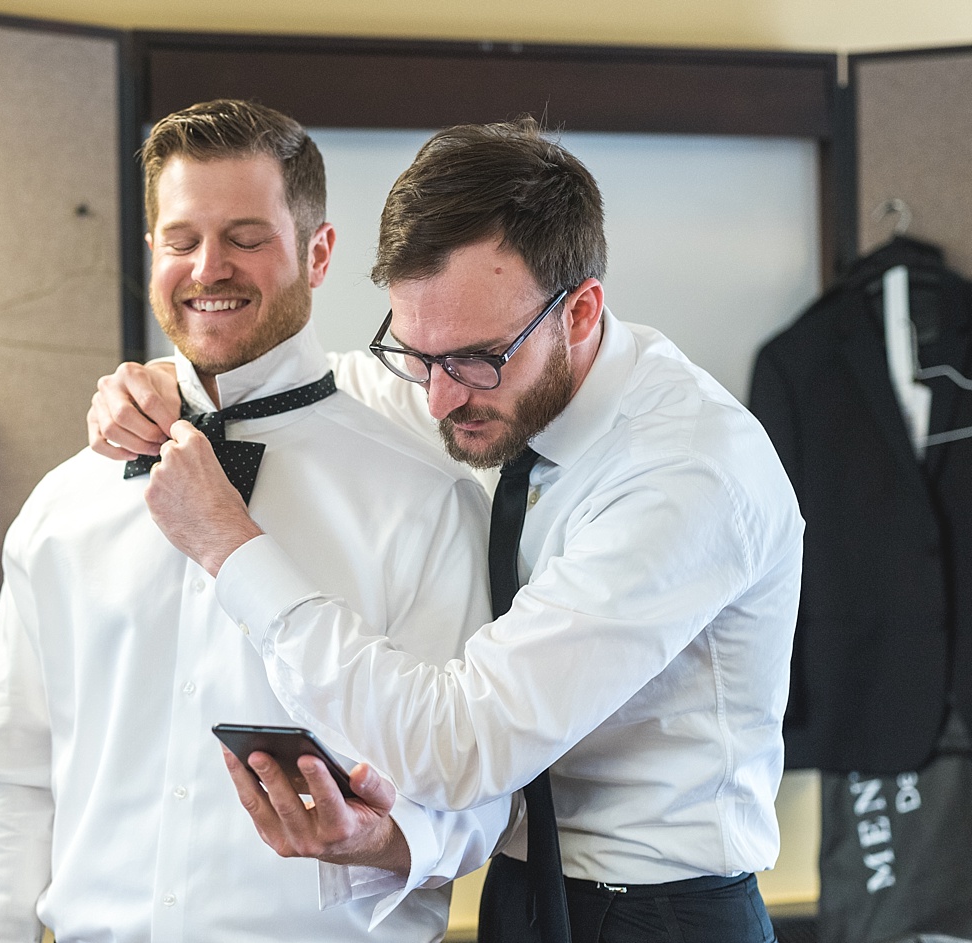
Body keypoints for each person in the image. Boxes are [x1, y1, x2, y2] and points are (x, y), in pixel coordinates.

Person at [88, 118, 802, 942]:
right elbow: (301, 395)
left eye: (469, 360)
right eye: (415, 354)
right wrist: (143, 390)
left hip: (659, 913)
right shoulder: (477, 371)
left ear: (580, 312)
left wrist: (231, 548)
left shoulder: (685, 472)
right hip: (522, 892)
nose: (435, 398)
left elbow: (462, 744)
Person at [0, 99, 510, 943]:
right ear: (152, 256)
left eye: (247, 237)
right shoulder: (64, 507)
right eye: (182, 240)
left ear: (319, 253)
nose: (210, 268)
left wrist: (387, 841)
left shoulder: (424, 500)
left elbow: (478, 791)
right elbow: (8, 778)